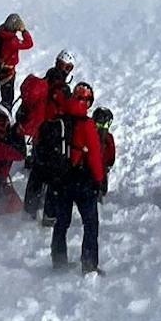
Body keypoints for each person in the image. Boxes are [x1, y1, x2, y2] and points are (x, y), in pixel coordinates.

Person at [42, 81, 106, 273]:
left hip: (61, 180)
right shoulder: (87, 124)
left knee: (62, 223)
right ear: (87, 101)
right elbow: (94, 156)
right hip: (83, 180)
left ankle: (58, 260)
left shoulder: (59, 119)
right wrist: (99, 179)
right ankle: (89, 264)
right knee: (90, 224)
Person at [20, 55, 75, 216]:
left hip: (39, 135)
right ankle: (49, 214)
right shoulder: (62, 89)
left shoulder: (46, 79)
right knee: (55, 175)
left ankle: (29, 209)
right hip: (54, 137)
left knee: (37, 171)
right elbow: (66, 112)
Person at [0, 13, 34, 110]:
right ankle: (3, 118)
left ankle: (2, 116)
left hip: (0, 69)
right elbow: (29, 44)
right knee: (8, 99)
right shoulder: (12, 41)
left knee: (5, 95)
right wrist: (24, 31)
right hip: (7, 71)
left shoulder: (1, 32)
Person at [92, 106, 117, 194]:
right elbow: (111, 156)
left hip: (86, 174)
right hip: (101, 174)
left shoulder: (89, 133)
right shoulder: (108, 138)